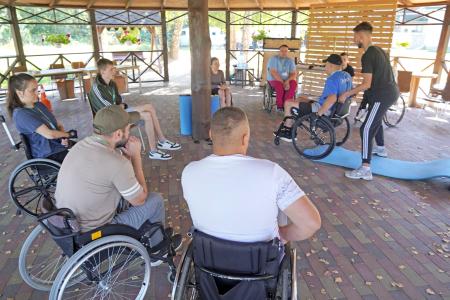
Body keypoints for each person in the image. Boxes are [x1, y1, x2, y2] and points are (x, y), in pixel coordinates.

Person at [55, 105, 181, 264]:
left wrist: (126, 161)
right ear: (119, 134)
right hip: (96, 231)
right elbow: (140, 199)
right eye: (129, 129)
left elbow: (107, 174)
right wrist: (136, 158)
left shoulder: (82, 145)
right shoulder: (116, 162)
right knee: (155, 200)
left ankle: (144, 235)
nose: (130, 133)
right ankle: (156, 251)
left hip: (67, 222)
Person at [182, 107, 321, 243]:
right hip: (261, 262)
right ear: (245, 138)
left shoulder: (189, 171)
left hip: (207, 260)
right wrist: (282, 233)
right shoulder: (271, 173)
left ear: (211, 134)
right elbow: (311, 223)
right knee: (280, 203)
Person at [338, 22, 399, 180]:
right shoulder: (379, 50)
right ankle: (381, 149)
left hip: (382, 95)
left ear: (360, 36)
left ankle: (365, 168)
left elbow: (367, 84)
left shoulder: (368, 55)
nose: (354, 39)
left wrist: (346, 94)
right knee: (375, 121)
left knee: (365, 128)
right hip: (390, 92)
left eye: (354, 36)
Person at [89, 58, 181, 160]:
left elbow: (119, 102)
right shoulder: (97, 87)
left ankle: (161, 142)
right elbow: (111, 108)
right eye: (111, 69)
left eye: (114, 68)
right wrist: (120, 106)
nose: (114, 71)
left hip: (118, 113)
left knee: (149, 108)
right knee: (147, 115)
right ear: (103, 71)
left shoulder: (112, 84)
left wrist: (121, 106)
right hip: (110, 121)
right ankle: (156, 148)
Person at [275, 54, 352, 142]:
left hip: (324, 109)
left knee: (288, 103)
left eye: (326, 65)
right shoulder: (347, 75)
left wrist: (318, 114)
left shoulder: (332, 79)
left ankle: (288, 131)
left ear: (331, 65)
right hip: (338, 110)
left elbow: (332, 98)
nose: (325, 67)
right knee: (300, 98)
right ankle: (294, 118)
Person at [6, 73, 76, 163]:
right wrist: (68, 134)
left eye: (37, 89)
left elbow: (57, 124)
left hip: (57, 146)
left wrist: (64, 138)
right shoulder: (21, 114)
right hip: (47, 154)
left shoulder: (39, 105)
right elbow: (49, 134)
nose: (37, 92)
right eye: (33, 90)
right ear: (19, 93)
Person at [267, 45, 297, 110]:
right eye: (282, 51)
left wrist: (288, 81)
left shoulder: (290, 60)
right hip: (274, 79)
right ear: (279, 52)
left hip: (286, 79)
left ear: (287, 52)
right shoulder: (273, 59)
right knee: (279, 86)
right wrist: (284, 83)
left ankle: (287, 104)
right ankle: (280, 105)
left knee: (293, 84)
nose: (284, 52)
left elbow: (293, 73)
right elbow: (273, 72)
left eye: (285, 51)